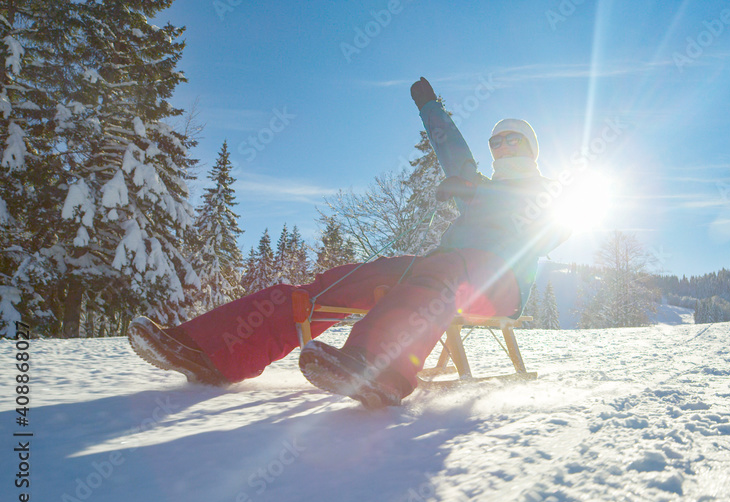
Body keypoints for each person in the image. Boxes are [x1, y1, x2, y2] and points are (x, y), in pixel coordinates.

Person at [127, 77, 569, 408]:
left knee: (445, 268)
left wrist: (493, 200)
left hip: (501, 282)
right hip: (447, 268)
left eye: (514, 139)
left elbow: (554, 231)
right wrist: (431, 106)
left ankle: (380, 367)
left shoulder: (547, 191)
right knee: (351, 276)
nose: (504, 146)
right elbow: (452, 150)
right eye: (497, 141)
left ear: (530, 148)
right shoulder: (478, 180)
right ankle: (213, 350)